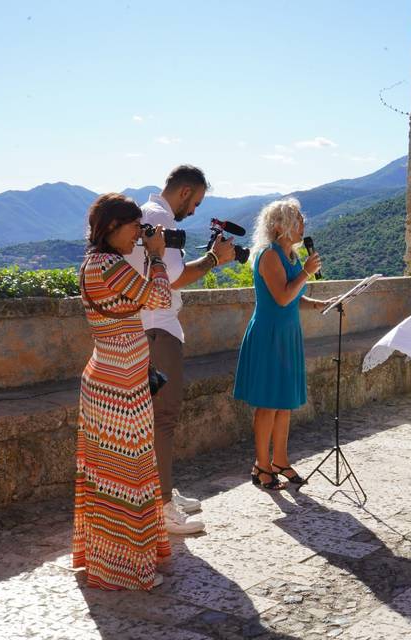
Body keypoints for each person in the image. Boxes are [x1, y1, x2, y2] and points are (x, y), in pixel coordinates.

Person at [125, 165, 236, 535]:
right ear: (185, 192)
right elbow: (172, 277)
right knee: (164, 418)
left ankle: (161, 489)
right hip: (157, 327)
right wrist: (216, 259)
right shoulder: (161, 219)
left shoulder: (146, 213)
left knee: (155, 418)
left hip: (148, 327)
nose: (194, 210)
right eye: (197, 201)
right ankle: (163, 508)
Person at [73, 193, 173, 590]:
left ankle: (114, 559)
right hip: (119, 386)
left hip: (112, 378)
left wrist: (148, 255)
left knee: (111, 473)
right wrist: (158, 256)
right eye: (134, 227)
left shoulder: (96, 264)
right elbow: (160, 298)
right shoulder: (108, 266)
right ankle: (125, 567)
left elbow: (141, 300)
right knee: (125, 473)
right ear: (112, 227)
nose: (139, 234)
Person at [233, 198, 334, 490]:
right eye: (297, 219)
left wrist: (317, 304)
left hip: (288, 333)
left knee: (284, 403)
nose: (303, 224)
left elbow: (294, 295)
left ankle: (281, 460)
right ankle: (261, 467)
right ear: (279, 226)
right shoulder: (268, 255)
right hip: (269, 335)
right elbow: (280, 296)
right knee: (267, 404)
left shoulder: (291, 255)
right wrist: (307, 273)